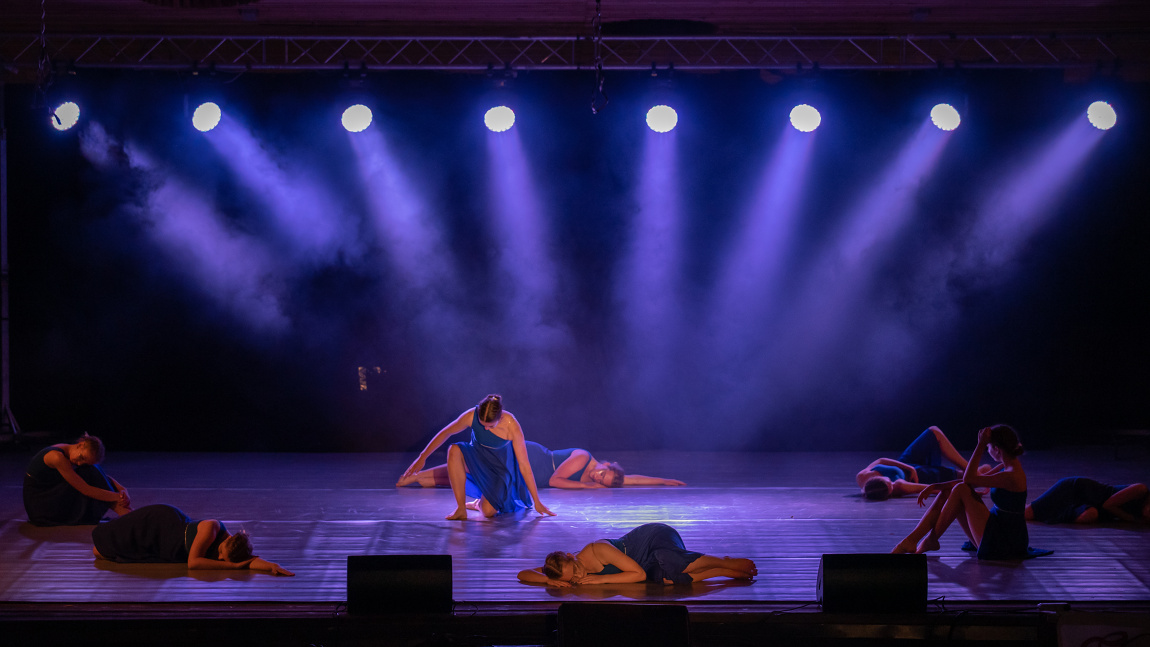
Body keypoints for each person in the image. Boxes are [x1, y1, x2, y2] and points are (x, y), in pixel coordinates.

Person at [396, 394, 555, 520]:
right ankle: (460, 509)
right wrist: (422, 457)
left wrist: (537, 501)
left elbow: (524, 466)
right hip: (477, 459)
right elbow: (446, 432)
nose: (485, 429)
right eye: (482, 424)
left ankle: (478, 503)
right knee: (454, 450)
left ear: (500, 417)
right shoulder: (471, 415)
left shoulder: (512, 425)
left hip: (499, 470)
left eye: (490, 426)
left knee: (488, 512)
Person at [892, 425, 1031, 560]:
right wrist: (935, 486)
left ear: (997, 449)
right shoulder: (1005, 467)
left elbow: (968, 479)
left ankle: (930, 539)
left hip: (1006, 542)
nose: (987, 450)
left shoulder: (1011, 476)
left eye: (988, 447)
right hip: (998, 528)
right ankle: (914, 540)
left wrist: (980, 445)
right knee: (952, 490)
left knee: (960, 489)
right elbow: (971, 482)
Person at [517, 522, 756, 586]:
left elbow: (638, 574)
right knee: (665, 578)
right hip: (645, 562)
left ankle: (725, 561)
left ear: (571, 556)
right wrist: (550, 581)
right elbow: (523, 573)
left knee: (670, 560)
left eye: (576, 569)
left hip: (654, 538)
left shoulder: (596, 550)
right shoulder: (560, 570)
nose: (578, 575)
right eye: (572, 578)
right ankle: (721, 572)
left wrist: (600, 580)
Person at [400, 439, 684, 490]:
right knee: (472, 468)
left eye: (602, 481)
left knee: (472, 477)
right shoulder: (583, 457)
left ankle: (416, 479)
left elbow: (631, 479)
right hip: (533, 460)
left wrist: (664, 481)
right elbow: (555, 481)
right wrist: (588, 488)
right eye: (602, 474)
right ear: (607, 464)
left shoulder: (609, 477)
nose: (598, 478)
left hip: (529, 476)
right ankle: (414, 475)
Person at [91, 503, 293, 575]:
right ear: (226, 542)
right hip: (159, 527)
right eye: (221, 555)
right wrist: (232, 566)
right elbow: (194, 563)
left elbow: (248, 560)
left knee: (101, 553)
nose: (219, 559)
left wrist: (272, 566)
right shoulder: (212, 527)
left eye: (223, 558)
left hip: (164, 545)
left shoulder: (231, 547)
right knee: (99, 548)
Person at [23, 434, 132, 526]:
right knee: (90, 471)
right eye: (82, 457)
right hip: (40, 506)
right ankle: (126, 513)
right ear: (80, 445)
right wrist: (119, 497)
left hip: (49, 495)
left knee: (91, 469)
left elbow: (102, 476)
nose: (79, 463)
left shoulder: (68, 451)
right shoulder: (57, 457)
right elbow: (86, 489)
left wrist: (122, 489)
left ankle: (126, 513)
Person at [857, 426, 971, 500]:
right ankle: (974, 473)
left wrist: (909, 467)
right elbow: (930, 489)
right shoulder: (900, 486)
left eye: (889, 482)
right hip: (916, 477)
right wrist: (958, 492)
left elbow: (881, 460)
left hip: (906, 462)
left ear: (877, 478)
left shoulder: (862, 476)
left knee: (933, 432)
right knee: (962, 476)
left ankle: (970, 469)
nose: (892, 483)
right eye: (891, 486)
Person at [1026, 477, 1150, 524]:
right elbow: (1108, 505)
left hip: (1092, 506)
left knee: (1090, 515)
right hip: (1077, 490)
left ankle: (1055, 513)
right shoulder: (1140, 490)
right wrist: (1132, 519)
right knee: (1028, 514)